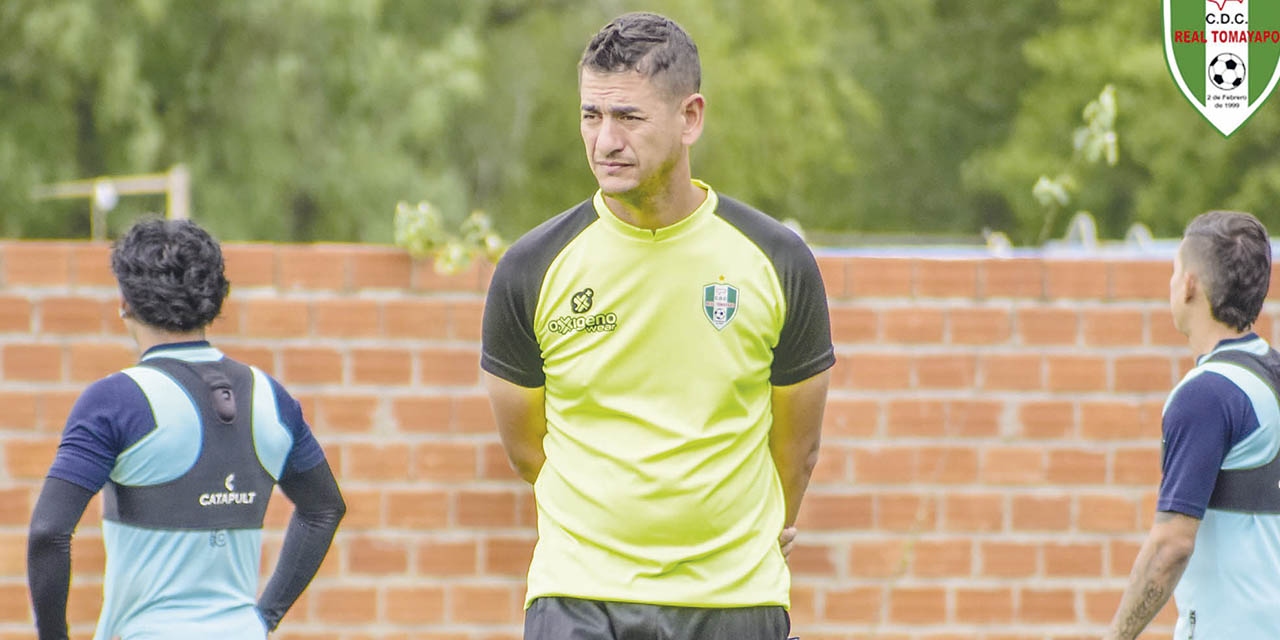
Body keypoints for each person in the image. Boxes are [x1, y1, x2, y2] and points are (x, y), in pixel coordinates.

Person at [481, 12, 834, 640]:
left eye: (628, 117)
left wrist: (738, 538)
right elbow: (527, 450)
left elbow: (797, 451)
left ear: (690, 117)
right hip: (577, 597)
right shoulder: (530, 270)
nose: (604, 141)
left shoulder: (777, 261)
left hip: (734, 598)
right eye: (591, 115)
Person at [27, 218, 345, 640]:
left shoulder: (116, 401)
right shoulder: (272, 398)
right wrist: (263, 618)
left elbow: (49, 533)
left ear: (124, 301)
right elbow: (324, 509)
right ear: (214, 298)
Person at [1103, 211, 1280, 640]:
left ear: (1189, 285)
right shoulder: (1270, 376)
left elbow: (1171, 546)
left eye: (1174, 270)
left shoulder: (1206, 394)